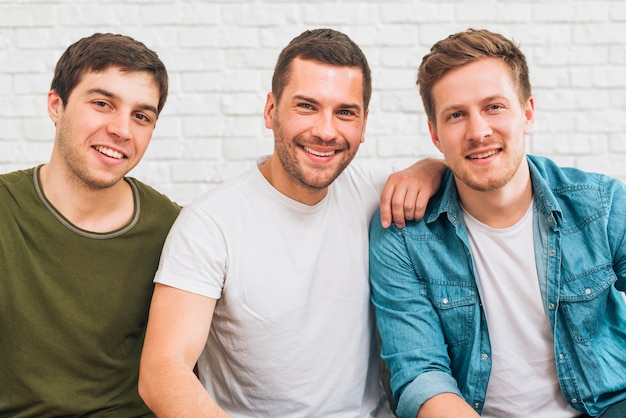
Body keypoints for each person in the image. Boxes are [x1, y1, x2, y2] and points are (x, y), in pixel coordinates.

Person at [138, 28, 446, 417]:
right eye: (306, 106)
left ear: (364, 124)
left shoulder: (378, 193)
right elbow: (162, 369)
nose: (325, 130)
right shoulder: (210, 223)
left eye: (345, 112)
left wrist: (432, 168)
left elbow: (466, 173)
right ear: (271, 110)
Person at [369, 28, 626, 418]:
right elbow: (422, 376)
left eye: (494, 107)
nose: (478, 132)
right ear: (435, 134)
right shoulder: (403, 235)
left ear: (527, 113)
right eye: (456, 115)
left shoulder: (599, 204)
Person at [0, 33, 181, 417]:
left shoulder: (176, 231)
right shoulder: (6, 209)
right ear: (56, 105)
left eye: (141, 116)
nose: (122, 129)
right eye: (102, 104)